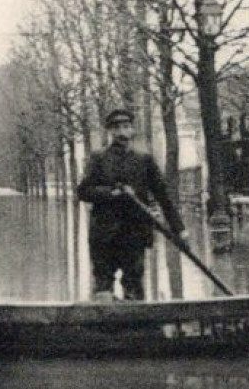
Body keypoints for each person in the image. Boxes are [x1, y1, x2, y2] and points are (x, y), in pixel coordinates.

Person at [76, 108, 185, 301]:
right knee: (103, 285)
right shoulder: (99, 158)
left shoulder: (144, 160)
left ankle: (137, 327)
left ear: (132, 130)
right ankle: (103, 326)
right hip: (104, 233)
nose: (121, 132)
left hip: (134, 232)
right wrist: (111, 193)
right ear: (110, 131)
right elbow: (83, 191)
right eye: (116, 128)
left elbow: (163, 196)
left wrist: (179, 228)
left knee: (134, 285)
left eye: (126, 127)